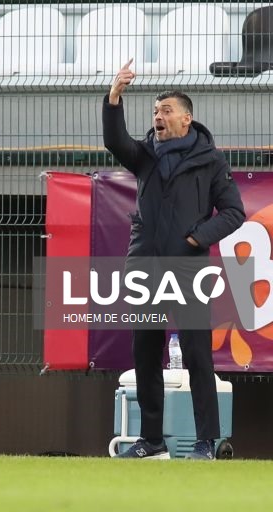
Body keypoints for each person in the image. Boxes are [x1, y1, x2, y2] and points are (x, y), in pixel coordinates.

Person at [103, 60, 245, 460]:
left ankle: (206, 441)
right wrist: (114, 97)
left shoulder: (212, 160)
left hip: (188, 269)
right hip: (146, 267)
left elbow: (233, 213)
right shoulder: (145, 154)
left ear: (186, 118)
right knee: (146, 351)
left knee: (198, 353)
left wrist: (197, 237)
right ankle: (152, 441)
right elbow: (116, 141)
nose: (158, 117)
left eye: (165, 111)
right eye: (154, 111)